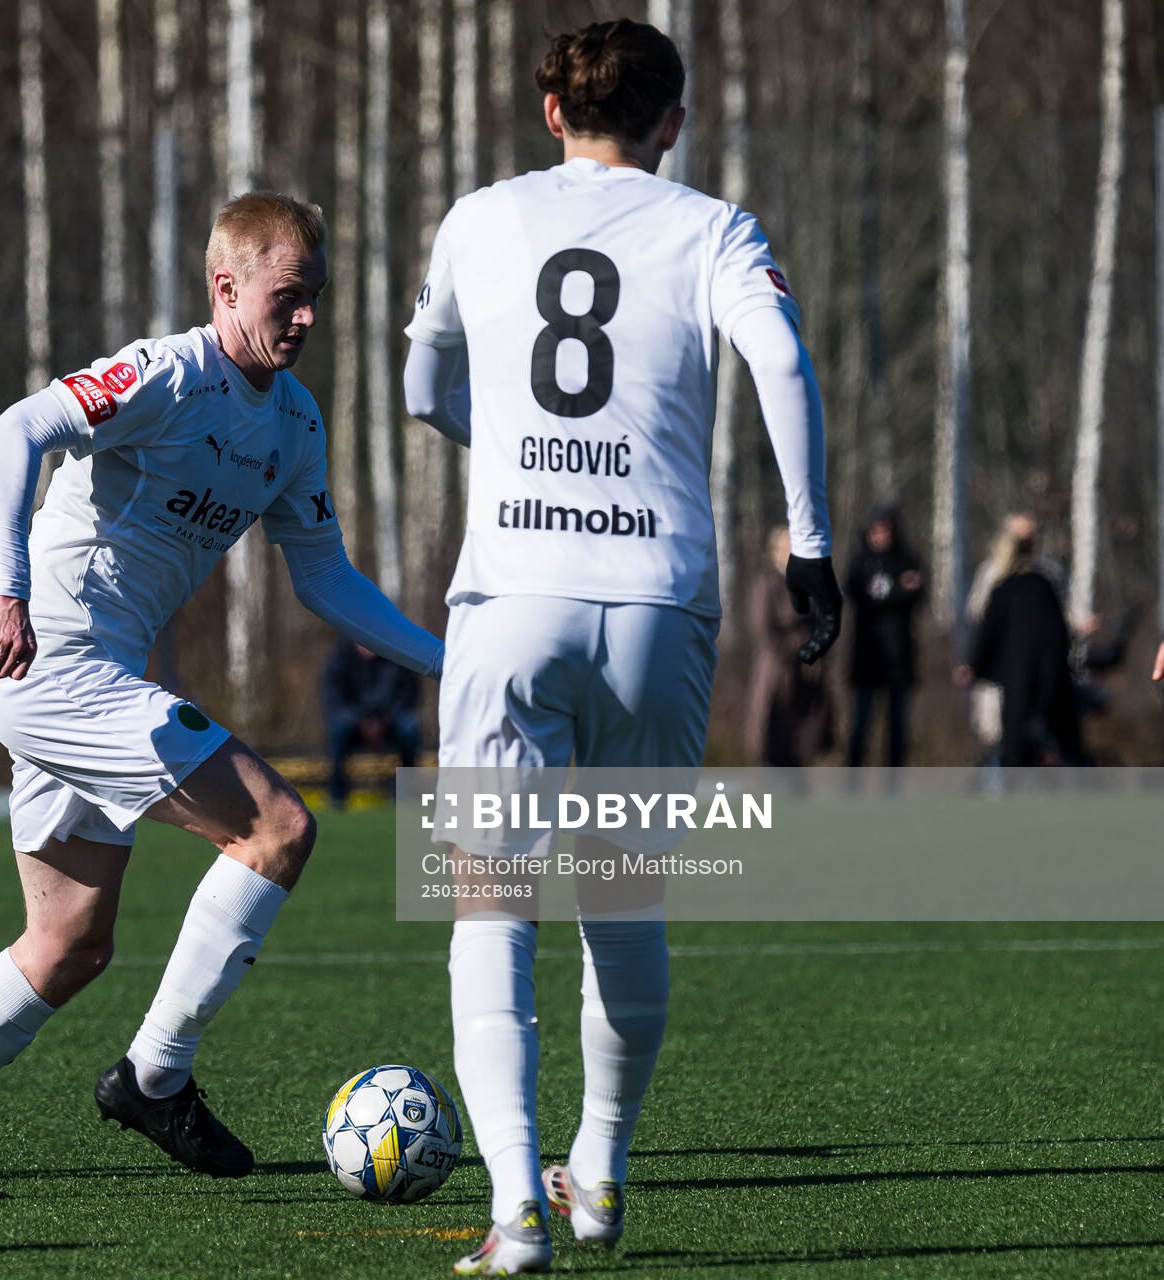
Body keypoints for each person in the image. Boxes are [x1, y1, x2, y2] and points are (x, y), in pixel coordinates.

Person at [0, 192, 442, 1199]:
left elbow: (324, 578)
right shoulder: (165, 373)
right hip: (54, 666)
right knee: (279, 827)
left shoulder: (294, 423)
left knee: (69, 941)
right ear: (226, 286)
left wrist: (449, 660)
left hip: (101, 682)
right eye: (287, 297)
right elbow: (12, 437)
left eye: (316, 300)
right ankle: (155, 1073)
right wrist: (11, 591)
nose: (304, 319)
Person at [402, 19, 838, 1273]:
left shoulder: (479, 217)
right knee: (624, 895)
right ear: (675, 121)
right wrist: (808, 544)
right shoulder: (714, 228)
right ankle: (598, 1172)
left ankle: (514, 1213)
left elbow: (426, 388)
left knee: (489, 901)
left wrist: (515, 452)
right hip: (659, 599)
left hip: (515, 596)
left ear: (550, 111)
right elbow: (782, 362)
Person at [958, 534, 1082, 766]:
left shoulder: (1003, 590)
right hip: (1053, 685)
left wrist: (973, 666)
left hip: (1017, 685)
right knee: (1060, 752)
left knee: (1012, 751)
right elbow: (1062, 636)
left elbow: (988, 633)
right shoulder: (1045, 586)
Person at [745, 527, 833, 766]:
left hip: (807, 669)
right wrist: (787, 659)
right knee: (774, 735)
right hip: (777, 670)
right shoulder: (766, 583)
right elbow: (763, 629)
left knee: (804, 739)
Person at [844, 505, 923, 767]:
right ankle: (852, 786)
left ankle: (893, 789)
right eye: (876, 530)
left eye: (886, 530)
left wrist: (892, 595)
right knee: (860, 726)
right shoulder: (859, 564)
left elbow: (917, 593)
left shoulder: (907, 560)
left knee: (897, 730)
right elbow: (857, 595)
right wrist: (897, 591)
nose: (881, 536)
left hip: (899, 658)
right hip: (866, 657)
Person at [322, 639, 422, 805]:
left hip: (390, 721)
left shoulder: (396, 657)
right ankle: (337, 796)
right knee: (338, 729)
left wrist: (384, 721)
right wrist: (361, 721)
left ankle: (404, 794)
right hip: (353, 722)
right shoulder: (340, 656)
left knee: (410, 727)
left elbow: (408, 694)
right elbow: (334, 699)